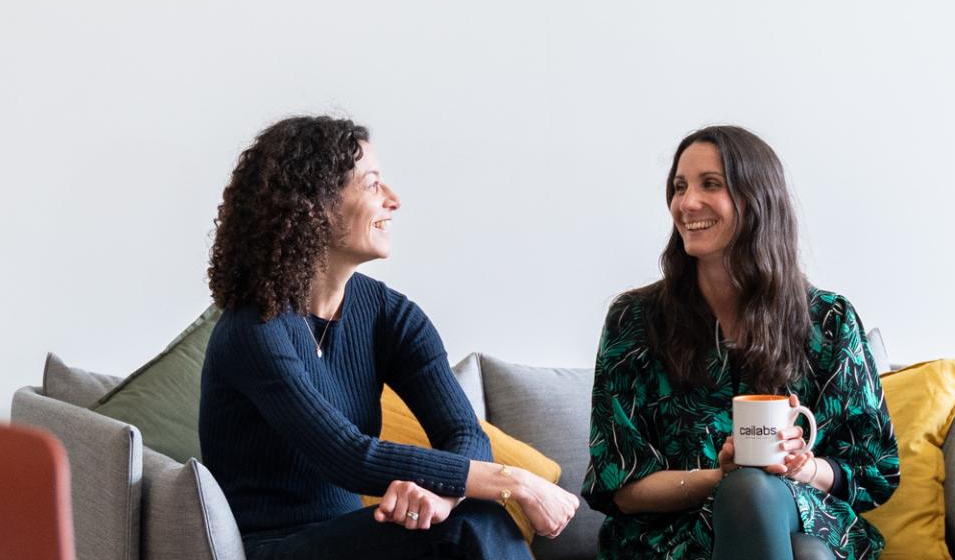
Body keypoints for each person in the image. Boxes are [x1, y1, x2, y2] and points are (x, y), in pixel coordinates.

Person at [201, 116, 578, 559]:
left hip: (355, 537)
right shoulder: (254, 330)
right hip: (272, 547)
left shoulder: (390, 315)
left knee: (470, 518)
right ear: (315, 205)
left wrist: (444, 498)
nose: (394, 201)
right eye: (373, 185)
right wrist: (511, 481)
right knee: (475, 525)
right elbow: (346, 454)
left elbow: (462, 431)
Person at [581, 126, 899, 560]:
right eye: (679, 187)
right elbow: (619, 486)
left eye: (710, 184)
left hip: (809, 515)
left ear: (757, 199)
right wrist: (721, 477)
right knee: (797, 544)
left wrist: (807, 470)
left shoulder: (829, 320)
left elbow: (876, 469)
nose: (686, 203)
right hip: (670, 540)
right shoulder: (634, 321)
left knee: (801, 540)